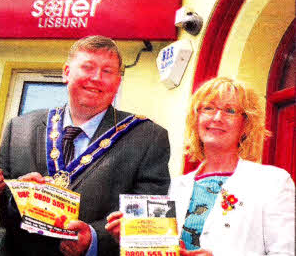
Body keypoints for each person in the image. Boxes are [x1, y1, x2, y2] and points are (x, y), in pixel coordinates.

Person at [0, 35, 171, 256]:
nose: (96, 78)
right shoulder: (20, 128)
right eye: (88, 67)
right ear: (66, 72)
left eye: (108, 71)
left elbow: (150, 223)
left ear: (118, 82)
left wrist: (95, 238)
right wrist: (17, 196)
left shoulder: (148, 136)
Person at [105, 77, 295, 256]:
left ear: (246, 125)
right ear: (196, 120)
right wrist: (132, 238)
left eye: (230, 111)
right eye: (209, 108)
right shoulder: (172, 188)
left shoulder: (273, 182)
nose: (217, 117)